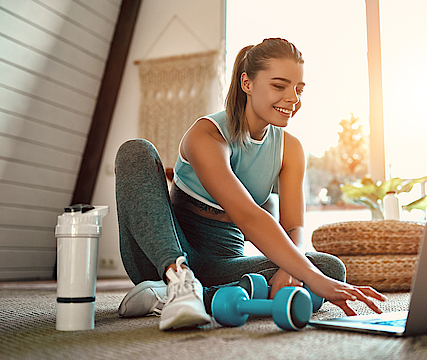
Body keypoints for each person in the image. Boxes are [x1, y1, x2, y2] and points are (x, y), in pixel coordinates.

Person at [115, 38, 386, 331]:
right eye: (279, 86)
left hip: (223, 262)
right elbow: (247, 214)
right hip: (162, 252)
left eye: (299, 89)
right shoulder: (206, 134)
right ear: (247, 83)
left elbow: (293, 227)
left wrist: (290, 268)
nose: (293, 98)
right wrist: (312, 279)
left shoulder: (290, 149)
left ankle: (177, 296)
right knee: (136, 150)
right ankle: (177, 281)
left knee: (329, 269)